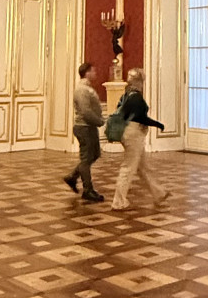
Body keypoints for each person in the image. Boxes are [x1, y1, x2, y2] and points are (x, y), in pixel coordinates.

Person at [111, 68, 168, 211]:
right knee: (128, 168)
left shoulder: (126, 95)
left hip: (127, 133)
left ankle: (158, 193)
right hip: (133, 134)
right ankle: (118, 202)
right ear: (138, 81)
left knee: (143, 167)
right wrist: (158, 124)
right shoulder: (136, 97)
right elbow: (141, 118)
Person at [64, 61, 104, 202]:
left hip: (89, 126)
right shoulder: (82, 90)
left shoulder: (87, 88)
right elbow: (86, 111)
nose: (95, 73)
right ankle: (88, 190)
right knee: (86, 159)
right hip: (84, 127)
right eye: (93, 71)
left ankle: (72, 177)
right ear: (87, 73)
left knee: (95, 154)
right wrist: (99, 121)